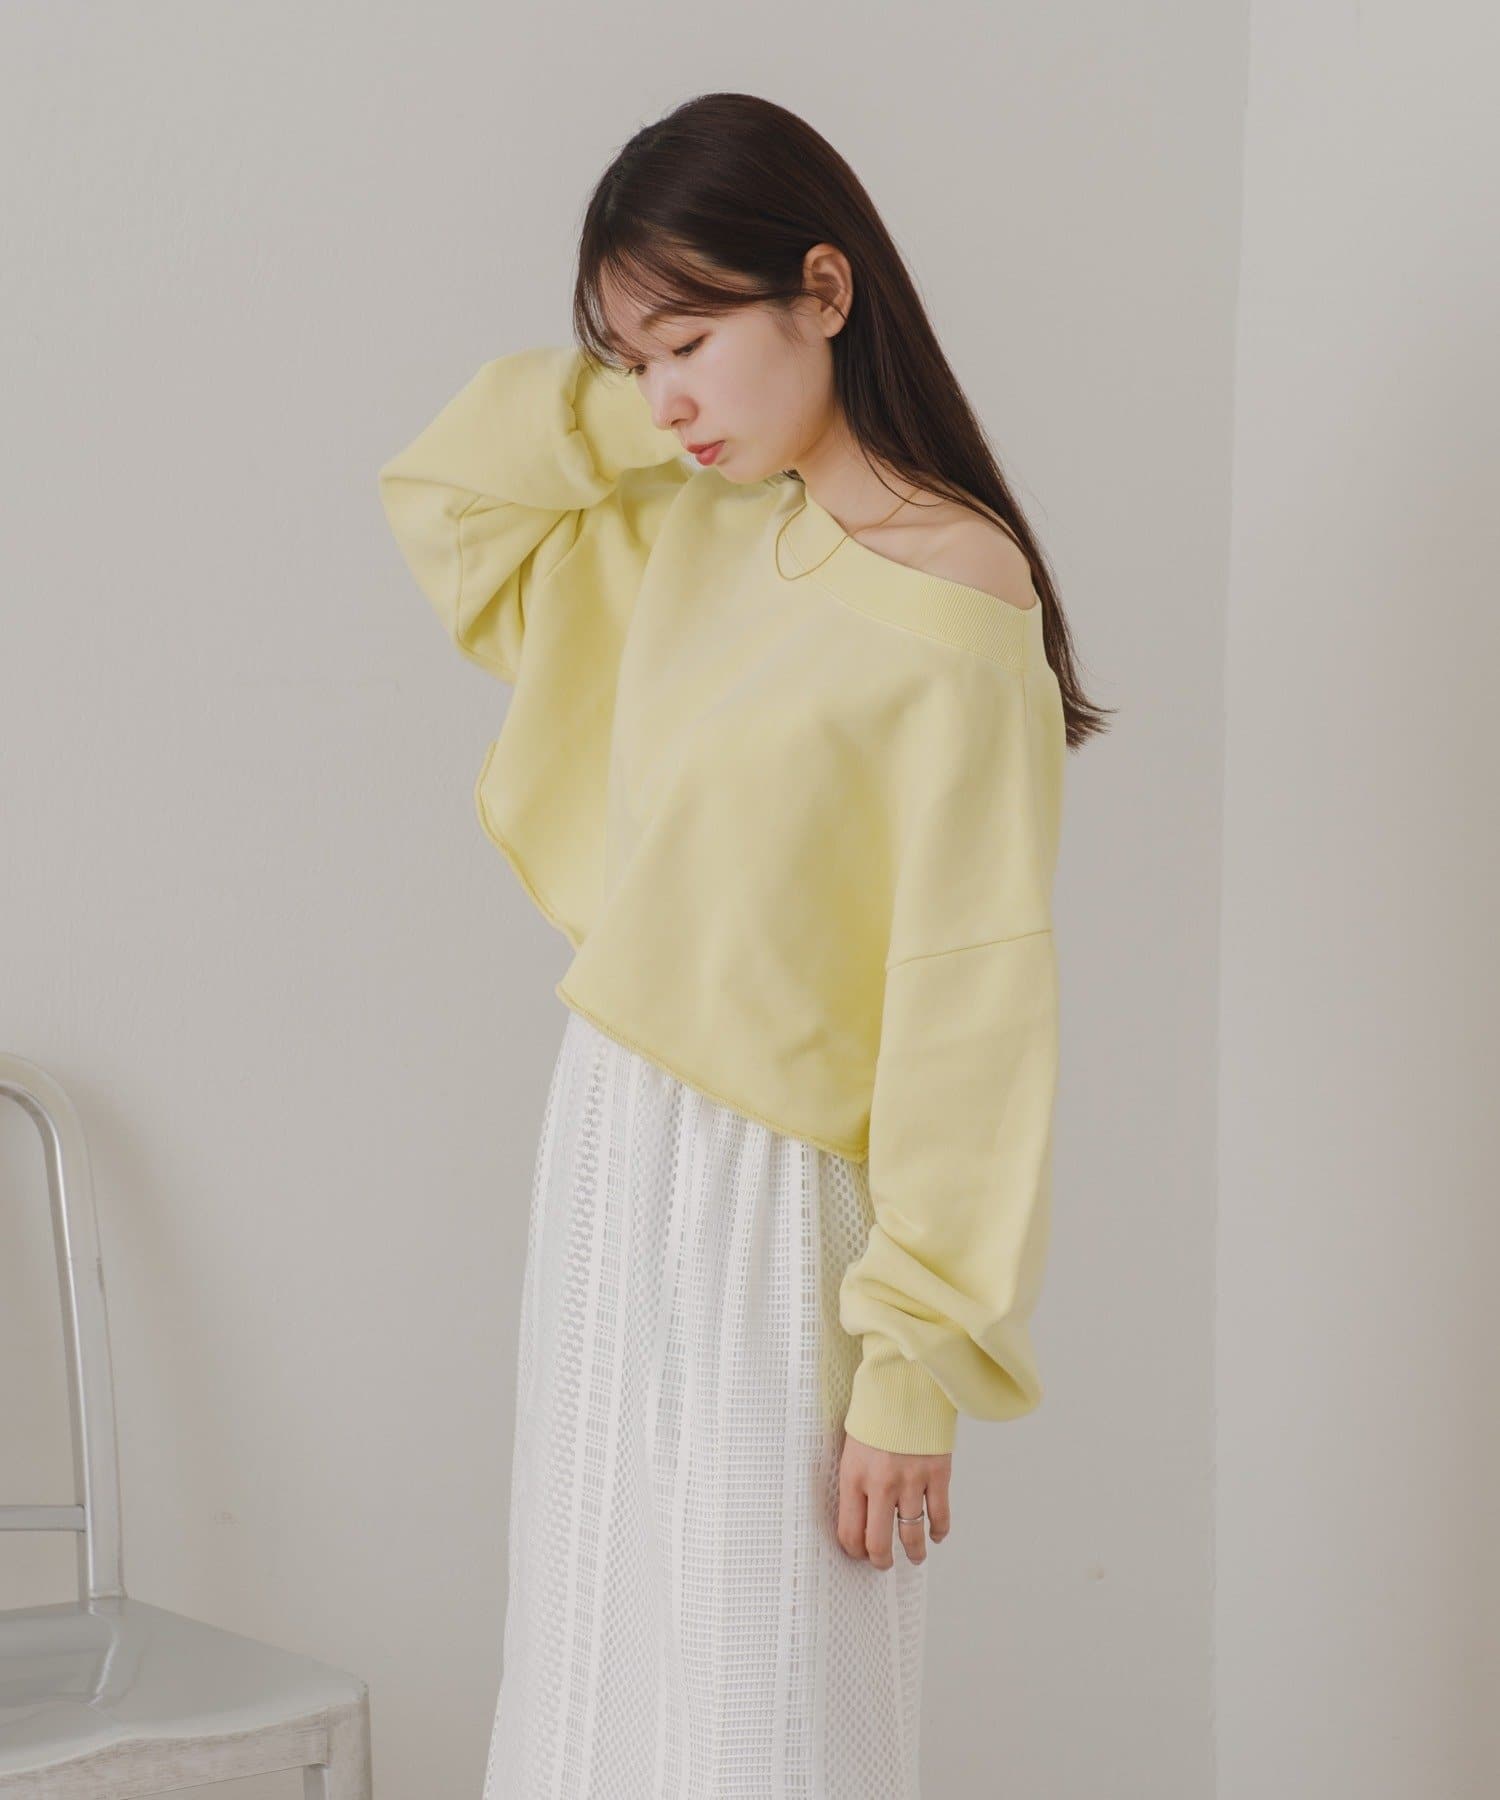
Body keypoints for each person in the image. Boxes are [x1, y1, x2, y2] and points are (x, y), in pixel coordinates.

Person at [378, 89, 1110, 1800]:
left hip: (788, 1209)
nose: (666, 400)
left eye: (692, 341)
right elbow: (450, 490)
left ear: (826, 290)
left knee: (759, 1709)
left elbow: (972, 1009)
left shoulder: (959, 598)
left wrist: (912, 1364)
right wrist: (657, 403)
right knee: (593, 1668)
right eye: (632, 360)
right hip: (614, 1145)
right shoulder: (684, 521)